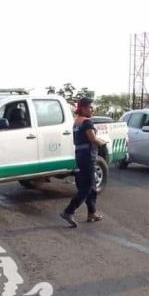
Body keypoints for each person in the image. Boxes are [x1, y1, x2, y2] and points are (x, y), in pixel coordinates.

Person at [60, 97, 106, 228]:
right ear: (84, 108)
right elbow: (92, 139)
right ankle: (68, 211)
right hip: (88, 157)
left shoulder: (76, 122)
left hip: (80, 155)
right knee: (87, 187)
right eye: (91, 107)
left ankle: (92, 213)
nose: (92, 109)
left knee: (91, 188)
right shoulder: (87, 123)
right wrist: (103, 143)